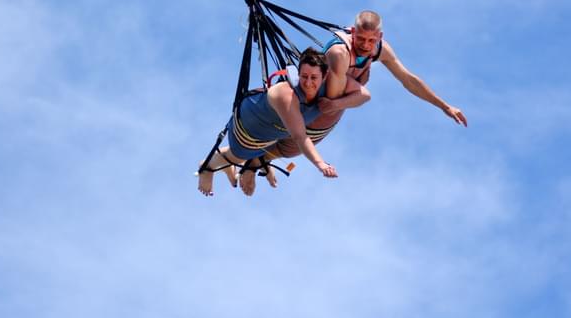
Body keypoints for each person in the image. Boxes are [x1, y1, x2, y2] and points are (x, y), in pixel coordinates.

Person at [259, 10, 467, 186]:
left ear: (380, 36)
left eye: (371, 40)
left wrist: (444, 106)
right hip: (317, 113)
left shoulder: (379, 49)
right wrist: (339, 103)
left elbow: (408, 79)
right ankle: (253, 162)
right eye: (360, 39)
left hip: (331, 114)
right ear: (352, 31)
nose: (366, 45)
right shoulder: (340, 53)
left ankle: (255, 163)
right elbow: (332, 99)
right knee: (282, 149)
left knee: (280, 152)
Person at [197, 47, 368, 197]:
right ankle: (207, 166)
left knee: (271, 149)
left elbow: (364, 95)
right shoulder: (287, 96)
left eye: (314, 78)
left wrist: (336, 104)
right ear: (298, 73)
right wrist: (321, 164)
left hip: (273, 132)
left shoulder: (329, 85)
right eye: (304, 76)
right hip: (250, 128)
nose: (308, 83)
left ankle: (237, 164)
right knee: (240, 154)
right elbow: (300, 137)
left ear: (325, 76)